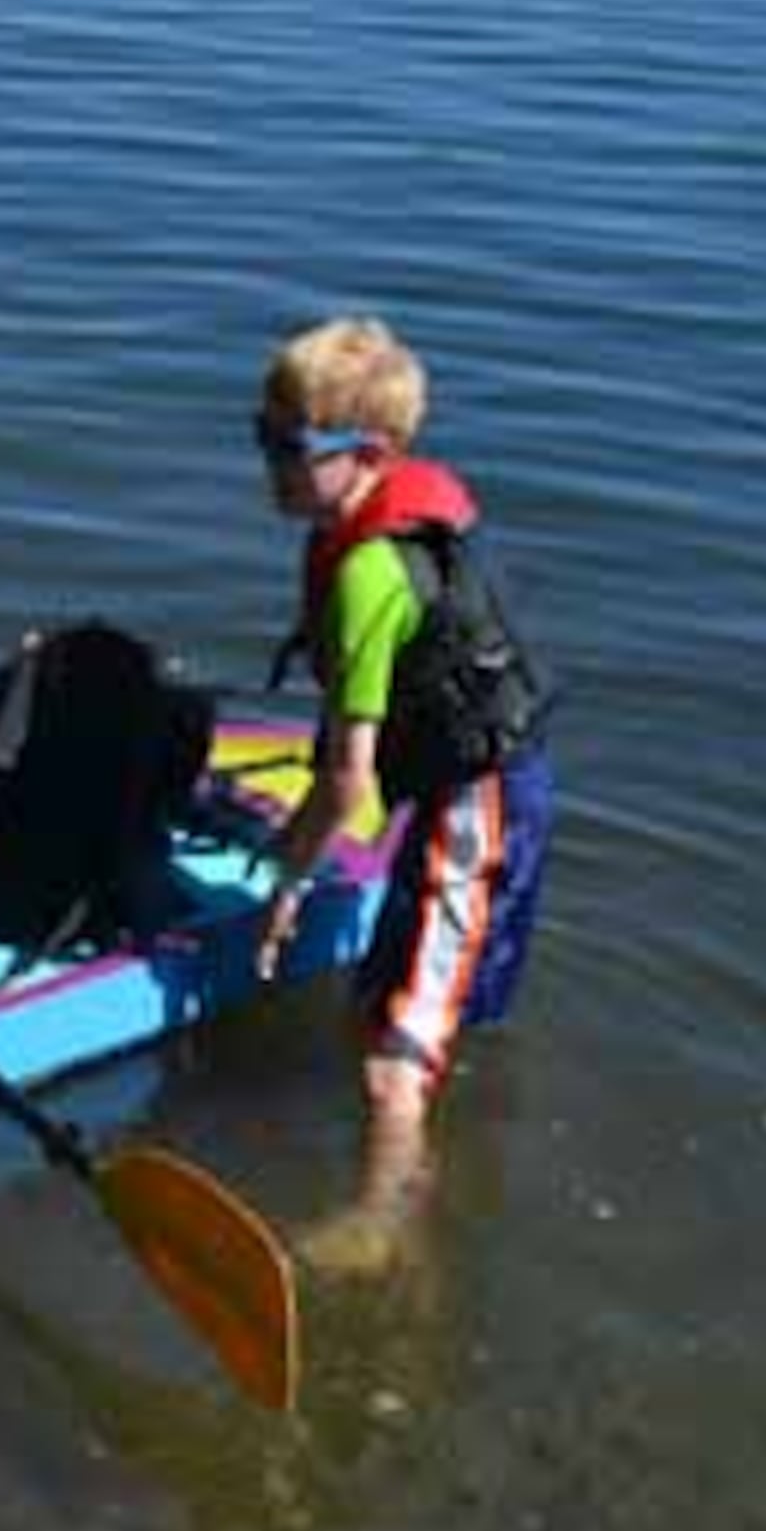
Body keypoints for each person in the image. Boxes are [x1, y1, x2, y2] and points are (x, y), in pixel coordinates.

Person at [248, 313, 556, 1273]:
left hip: (481, 808)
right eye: (259, 436)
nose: (268, 462)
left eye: (288, 447)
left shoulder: (372, 573)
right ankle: (426, 1173)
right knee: (370, 1008)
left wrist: (285, 889)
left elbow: (344, 789)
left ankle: (382, 1223)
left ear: (370, 455)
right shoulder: (362, 531)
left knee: (394, 1051)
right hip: (452, 787)